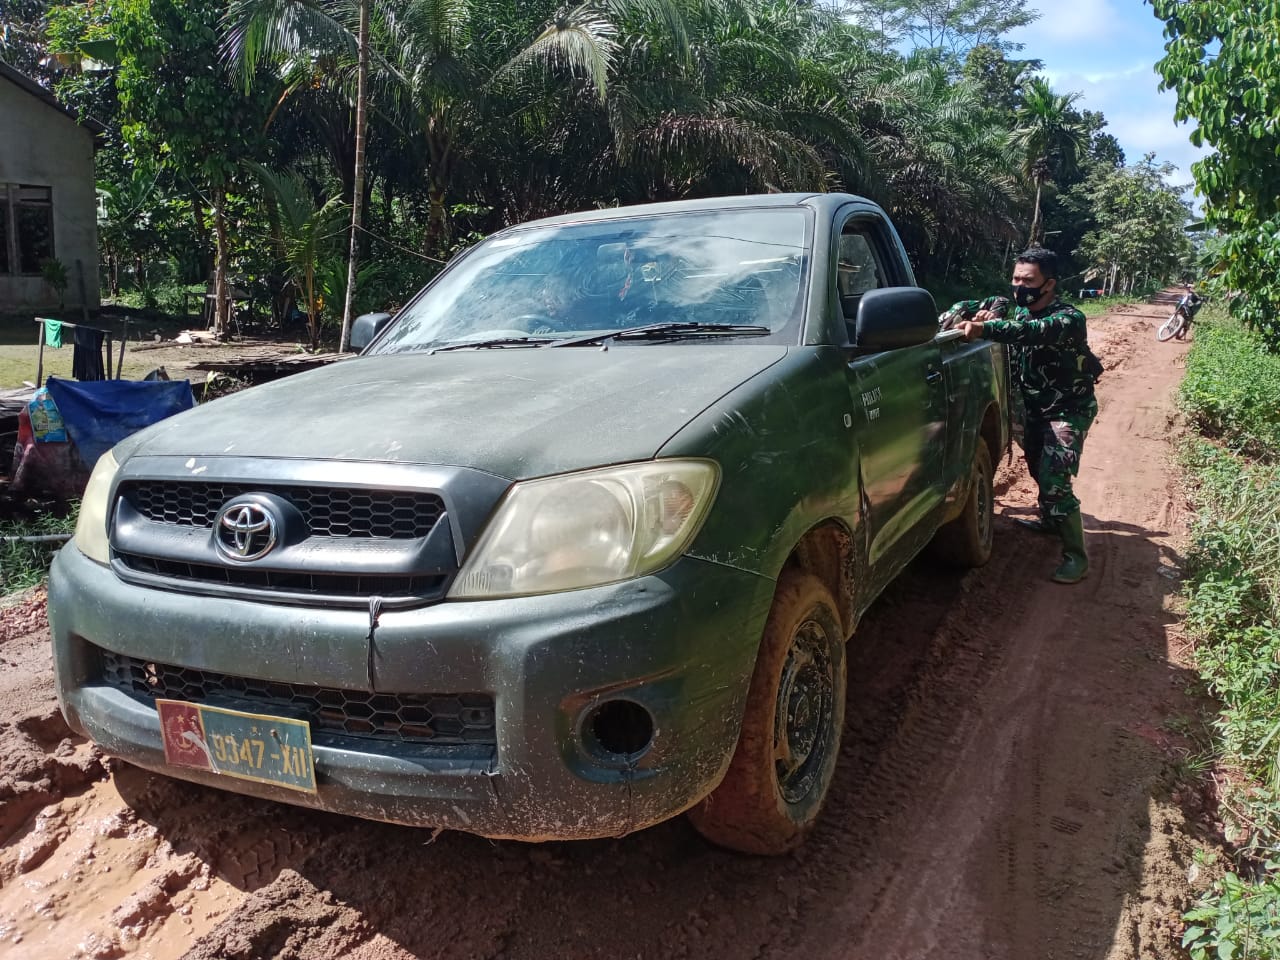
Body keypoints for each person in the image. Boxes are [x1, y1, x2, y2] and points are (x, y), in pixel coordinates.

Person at [940, 247, 1098, 585]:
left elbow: (1030, 333)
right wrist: (966, 312)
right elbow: (986, 303)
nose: (1019, 287)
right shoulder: (1020, 310)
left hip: (1068, 411)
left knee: (1055, 480)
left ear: (1049, 284)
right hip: (1035, 409)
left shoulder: (1069, 319)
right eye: (1016, 279)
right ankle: (1050, 519)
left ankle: (1076, 556)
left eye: (1028, 281)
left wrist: (985, 329)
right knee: (1038, 467)